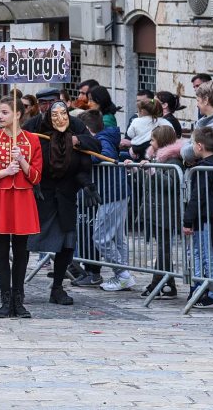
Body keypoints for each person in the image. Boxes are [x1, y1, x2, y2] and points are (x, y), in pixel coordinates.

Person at [26, 100, 102, 306]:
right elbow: (21, 148)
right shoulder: (34, 126)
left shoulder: (76, 126)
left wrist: (76, 141)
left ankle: (57, 288)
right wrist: (31, 181)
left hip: (65, 196)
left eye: (64, 115)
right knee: (25, 242)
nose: (60, 119)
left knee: (67, 245)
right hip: (39, 195)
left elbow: (95, 145)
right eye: (55, 115)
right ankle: (16, 288)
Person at [0, 96, 42, 318]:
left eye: (5, 112)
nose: (0, 116)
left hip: (23, 199)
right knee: (1, 250)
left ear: (17, 115)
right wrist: (3, 173)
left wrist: (22, 161)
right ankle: (5, 300)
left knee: (22, 251)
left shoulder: (32, 140)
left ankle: (19, 300)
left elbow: (36, 176)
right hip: (1, 198)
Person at [78, 109, 134, 291]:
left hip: (111, 193)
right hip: (114, 192)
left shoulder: (102, 139)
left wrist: (83, 155)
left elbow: (107, 156)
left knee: (101, 237)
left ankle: (123, 275)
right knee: (117, 238)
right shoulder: (105, 136)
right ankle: (123, 275)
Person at [183, 126, 213, 309]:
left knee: (208, 256)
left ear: (200, 146)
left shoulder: (201, 169)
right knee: (208, 254)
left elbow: (197, 197)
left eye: (193, 144)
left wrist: (188, 220)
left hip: (206, 217)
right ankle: (205, 288)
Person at [135, 125, 185, 299]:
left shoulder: (173, 161)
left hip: (166, 211)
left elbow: (171, 184)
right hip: (155, 209)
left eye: (153, 139)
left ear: (161, 141)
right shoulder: (156, 158)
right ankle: (167, 284)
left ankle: (159, 283)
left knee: (164, 248)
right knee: (162, 248)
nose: (150, 142)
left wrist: (152, 171)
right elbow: (148, 183)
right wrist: (136, 170)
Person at [181, 80, 213, 165]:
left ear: (205, 100)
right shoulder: (207, 122)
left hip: (211, 176)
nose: (197, 105)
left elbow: (187, 154)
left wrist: (185, 148)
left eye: (198, 100)